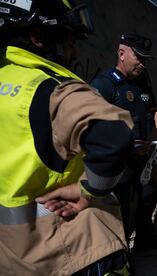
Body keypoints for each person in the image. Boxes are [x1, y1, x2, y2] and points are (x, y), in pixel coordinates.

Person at [0, 1, 136, 275]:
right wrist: (87, 190)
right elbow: (113, 135)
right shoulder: (51, 90)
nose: (73, 53)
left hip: (13, 257)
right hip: (71, 247)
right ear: (38, 37)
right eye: (70, 42)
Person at [90, 33, 157, 251]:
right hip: (118, 164)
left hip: (142, 160)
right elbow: (92, 128)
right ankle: (121, 255)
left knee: (148, 195)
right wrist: (126, 146)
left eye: (146, 60)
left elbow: (153, 112)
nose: (142, 65)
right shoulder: (105, 84)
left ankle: (145, 240)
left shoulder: (143, 82)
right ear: (122, 53)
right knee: (121, 208)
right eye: (139, 58)